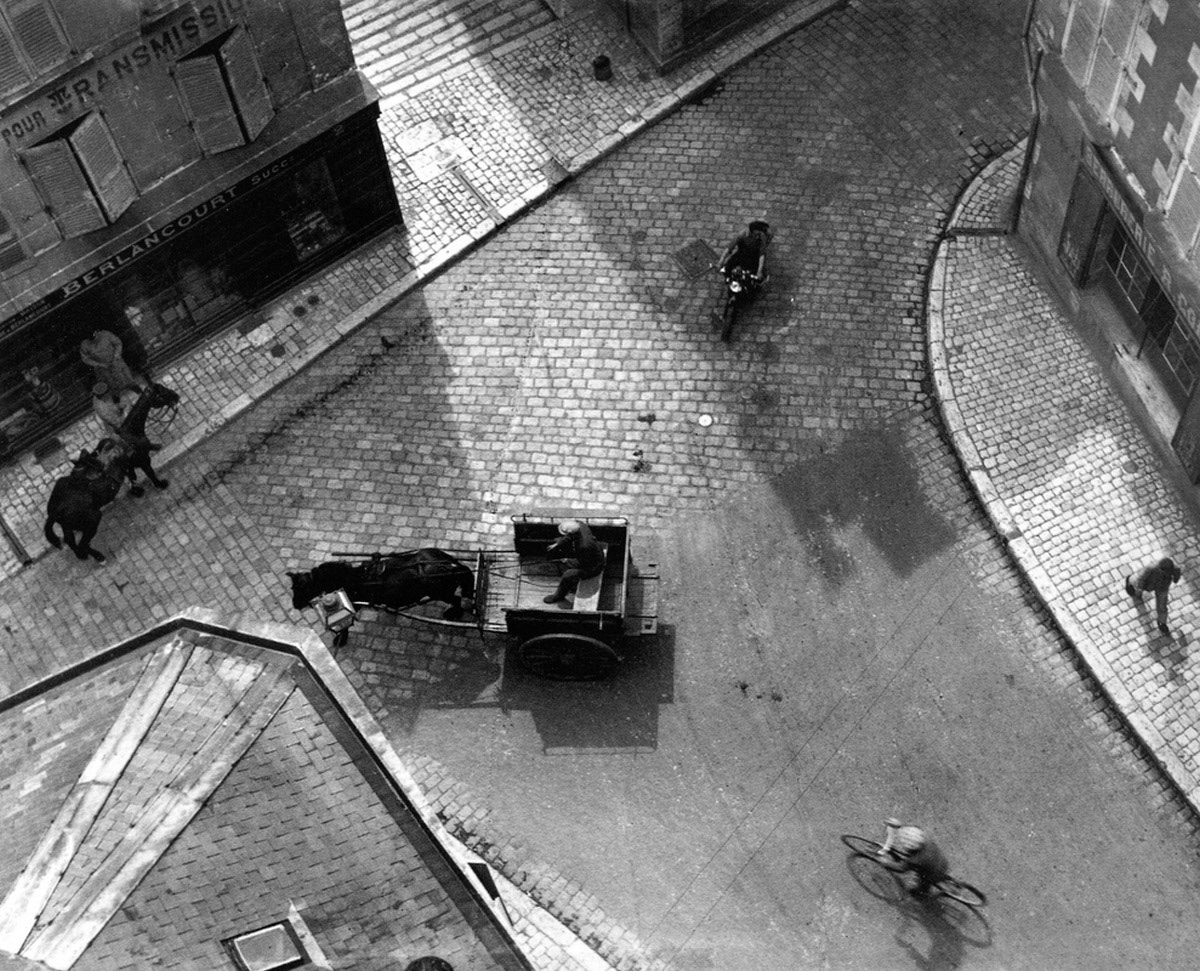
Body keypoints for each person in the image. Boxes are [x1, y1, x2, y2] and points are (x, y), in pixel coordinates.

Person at [879, 818, 949, 896]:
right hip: (942, 862)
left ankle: (923, 894)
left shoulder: (916, 859)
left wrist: (886, 863)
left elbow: (901, 868)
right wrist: (899, 825)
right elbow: (913, 829)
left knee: (919, 888)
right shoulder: (925, 837)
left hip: (933, 874)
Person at [543, 519, 605, 604]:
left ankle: (558, 596)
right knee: (559, 542)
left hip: (594, 566)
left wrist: (568, 561)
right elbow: (570, 535)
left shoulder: (584, 546)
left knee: (568, 575)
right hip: (590, 554)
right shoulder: (580, 525)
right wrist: (558, 544)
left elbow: (584, 563)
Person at [92, 382, 160, 454]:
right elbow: (118, 421)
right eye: (107, 394)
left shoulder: (103, 398)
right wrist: (126, 409)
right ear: (103, 396)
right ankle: (145, 446)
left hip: (118, 415)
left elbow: (113, 406)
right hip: (118, 427)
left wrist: (122, 404)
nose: (109, 394)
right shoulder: (102, 409)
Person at [1126, 556, 1182, 634]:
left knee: (1162, 605)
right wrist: (1139, 591)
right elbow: (1141, 579)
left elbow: (1176, 577)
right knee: (1135, 581)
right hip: (1149, 583)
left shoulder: (1175, 569)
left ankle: (1162, 622)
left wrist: (1175, 578)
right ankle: (1129, 581)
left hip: (1163, 587)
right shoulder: (1151, 568)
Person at [80, 329, 145, 394]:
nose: (94, 340)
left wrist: (116, 355)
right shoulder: (85, 345)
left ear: (96, 332)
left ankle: (136, 390)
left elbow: (118, 343)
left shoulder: (106, 334)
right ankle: (117, 396)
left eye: (94, 337)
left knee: (126, 378)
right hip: (103, 368)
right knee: (112, 384)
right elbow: (85, 359)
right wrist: (99, 364)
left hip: (116, 361)